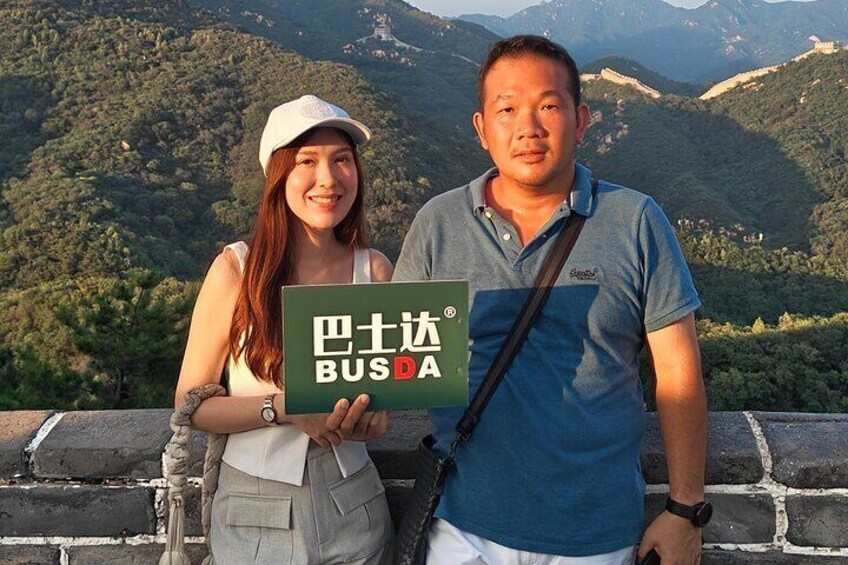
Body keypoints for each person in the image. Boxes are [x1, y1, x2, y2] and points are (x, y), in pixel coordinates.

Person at [393, 35, 708, 565]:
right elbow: (398, 359)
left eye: (548, 106)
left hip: (594, 535)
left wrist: (685, 509)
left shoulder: (634, 220)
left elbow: (677, 374)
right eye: (507, 109)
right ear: (481, 129)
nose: (528, 128)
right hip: (465, 526)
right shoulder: (438, 224)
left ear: (580, 120)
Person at [175, 94, 394, 565]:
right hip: (254, 508)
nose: (328, 179)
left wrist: (373, 419)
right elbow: (191, 404)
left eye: (342, 160)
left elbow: (381, 398)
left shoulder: (373, 270)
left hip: (354, 502)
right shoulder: (236, 270)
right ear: (278, 177)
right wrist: (287, 408)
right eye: (306, 162)